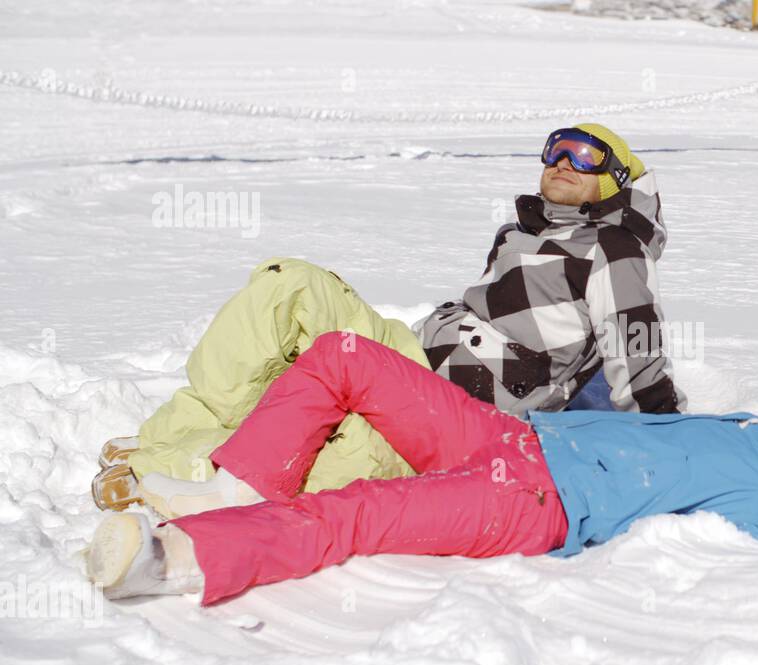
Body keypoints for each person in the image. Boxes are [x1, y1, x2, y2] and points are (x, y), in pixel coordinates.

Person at [84, 333, 758, 606]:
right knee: (343, 356)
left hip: (534, 501)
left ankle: (173, 560)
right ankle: (235, 493)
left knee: (358, 513)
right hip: (510, 439)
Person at [93, 123, 686, 512]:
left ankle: (170, 466)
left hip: (457, 409)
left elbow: (636, 351)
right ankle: (172, 433)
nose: (563, 161)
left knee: (342, 451)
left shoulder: (616, 251)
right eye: (555, 149)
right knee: (290, 283)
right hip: (408, 354)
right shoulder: (517, 234)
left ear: (614, 182)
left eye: (585, 156)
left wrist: (675, 441)